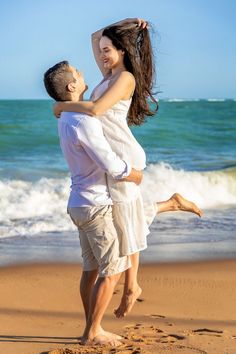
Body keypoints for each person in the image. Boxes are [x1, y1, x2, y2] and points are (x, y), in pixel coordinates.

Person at [54, 18, 203, 319]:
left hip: (122, 155)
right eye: (102, 51)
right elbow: (95, 35)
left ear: (122, 50)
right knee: (126, 216)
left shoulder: (125, 79)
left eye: (108, 49)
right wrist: (127, 24)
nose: (103, 54)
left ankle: (132, 285)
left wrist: (62, 107)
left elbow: (95, 110)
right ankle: (171, 204)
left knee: (124, 221)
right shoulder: (108, 74)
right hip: (112, 155)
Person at [44, 61, 144, 346]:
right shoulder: (82, 120)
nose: (83, 74)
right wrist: (133, 173)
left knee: (90, 270)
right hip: (95, 206)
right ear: (71, 86)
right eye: (78, 73)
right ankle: (93, 332)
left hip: (78, 203)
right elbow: (108, 162)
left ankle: (91, 326)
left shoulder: (65, 116)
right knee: (113, 269)